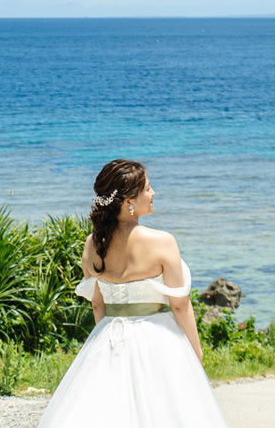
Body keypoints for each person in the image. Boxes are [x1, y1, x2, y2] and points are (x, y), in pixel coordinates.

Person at [36, 158, 229, 428]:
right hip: (159, 338)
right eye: (148, 189)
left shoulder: (93, 244)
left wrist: (103, 343)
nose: (153, 194)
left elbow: (97, 306)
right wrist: (195, 352)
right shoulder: (162, 242)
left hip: (108, 337)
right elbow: (180, 306)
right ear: (128, 200)